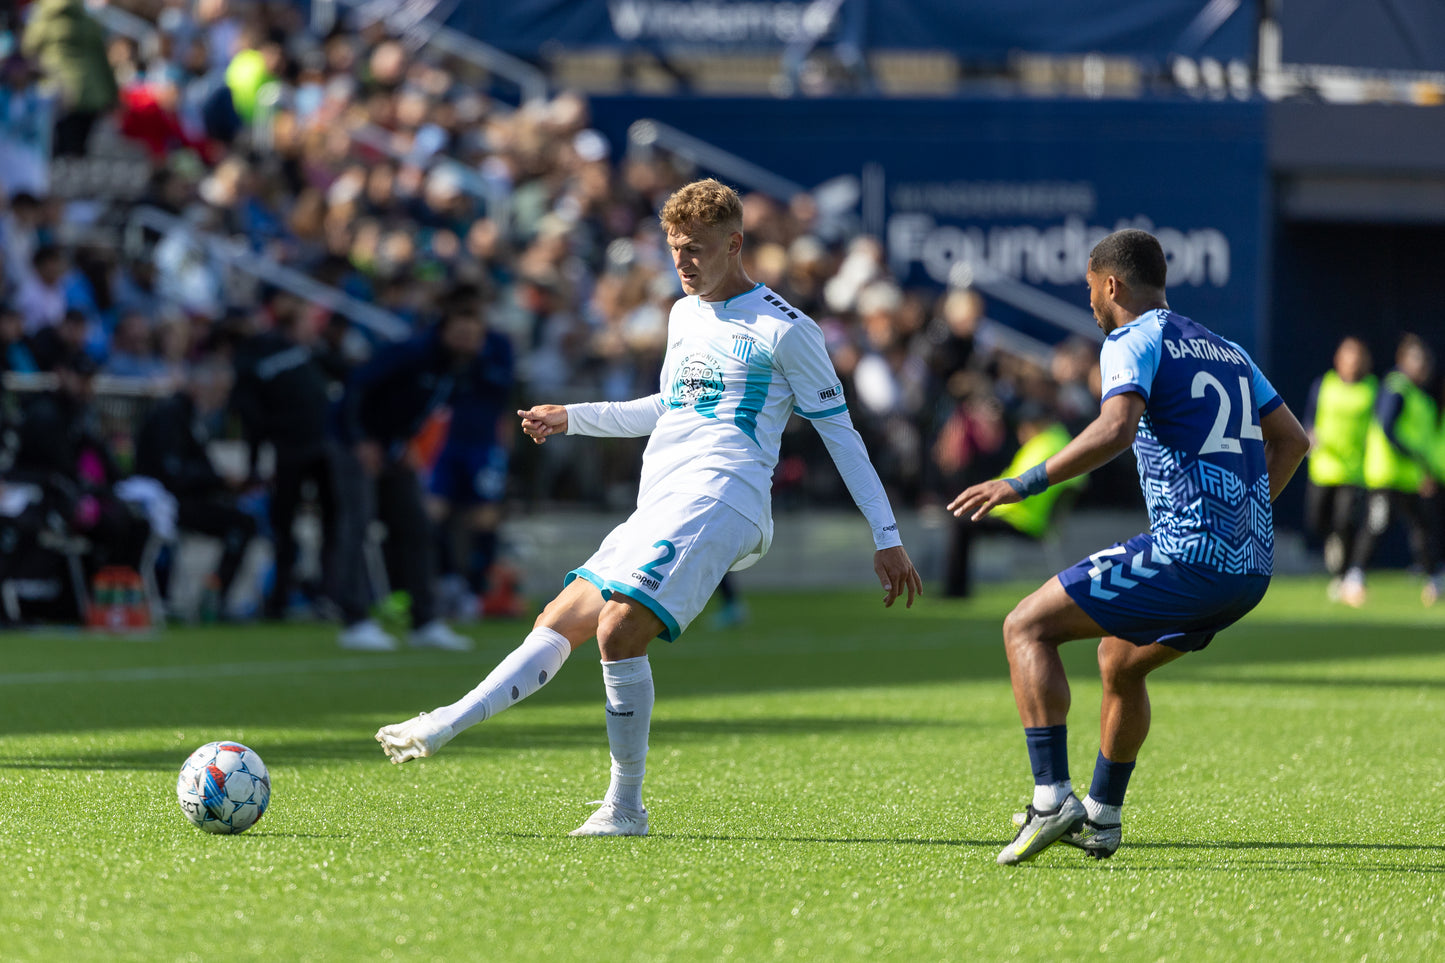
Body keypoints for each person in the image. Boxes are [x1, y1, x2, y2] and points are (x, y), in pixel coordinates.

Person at [376, 178, 923, 837]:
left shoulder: (785, 330)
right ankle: (445, 721)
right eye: (673, 249)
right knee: (563, 616)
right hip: (663, 496)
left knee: (618, 629)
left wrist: (886, 535)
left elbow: (842, 434)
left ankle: (623, 807)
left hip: (726, 493)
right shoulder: (681, 314)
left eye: (694, 249)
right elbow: (669, 406)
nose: (682, 263)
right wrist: (571, 417)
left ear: (734, 243)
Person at [949, 229, 1309, 866]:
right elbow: (1293, 440)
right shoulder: (1227, 349)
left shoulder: (1131, 339)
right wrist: (1243, 519)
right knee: (1119, 661)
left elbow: (1116, 428)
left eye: (1090, 289)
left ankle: (1050, 797)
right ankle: (1103, 815)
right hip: (1249, 566)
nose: (1089, 302)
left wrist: (1021, 483)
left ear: (1111, 284)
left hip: (1189, 553)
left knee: (1025, 627)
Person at [328, 289, 489, 652]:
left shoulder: (457, 367)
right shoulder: (410, 353)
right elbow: (357, 387)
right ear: (445, 329)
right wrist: (360, 440)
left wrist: (406, 446)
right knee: (357, 524)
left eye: (473, 336)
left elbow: (420, 411)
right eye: (461, 333)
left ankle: (425, 620)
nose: (468, 342)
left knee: (416, 526)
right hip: (353, 442)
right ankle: (354, 619)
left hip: (393, 448)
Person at [231, 294, 339, 620]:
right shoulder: (262, 356)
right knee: (284, 527)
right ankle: (280, 597)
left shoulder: (314, 355)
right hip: (289, 449)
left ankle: (327, 594)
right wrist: (254, 461)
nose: (314, 329)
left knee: (331, 524)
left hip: (322, 448)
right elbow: (251, 414)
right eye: (308, 322)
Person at [134, 362, 259, 617]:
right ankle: (215, 599)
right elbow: (171, 471)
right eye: (220, 391)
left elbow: (197, 467)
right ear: (199, 386)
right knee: (240, 524)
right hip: (165, 502)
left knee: (244, 521)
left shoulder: (189, 417)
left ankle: (216, 596)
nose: (222, 400)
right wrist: (219, 481)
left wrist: (226, 483)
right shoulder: (170, 416)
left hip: (183, 497)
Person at [424, 285, 516, 620]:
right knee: (432, 512)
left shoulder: (497, 345)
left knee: (484, 516)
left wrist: (475, 355)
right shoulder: (438, 342)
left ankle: (476, 591)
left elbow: (503, 385)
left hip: (483, 441)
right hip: (445, 441)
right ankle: (447, 581)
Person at [944, 402, 1085, 598]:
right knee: (964, 522)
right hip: (1033, 518)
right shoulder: (1059, 441)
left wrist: (982, 499)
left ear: (1034, 424)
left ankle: (954, 592)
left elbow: (1015, 484)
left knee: (961, 524)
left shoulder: (1043, 445)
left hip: (1024, 519)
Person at [1357, 334, 1440, 606]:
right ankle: (1354, 577)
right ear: (1402, 360)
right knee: (1377, 525)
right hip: (1386, 475)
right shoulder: (1395, 387)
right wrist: (1412, 457)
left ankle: (1433, 579)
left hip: (1411, 478)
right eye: (1415, 359)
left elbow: (1424, 443)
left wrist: (1424, 469)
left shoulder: (1423, 400)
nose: (1421, 365)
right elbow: (1388, 428)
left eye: (1424, 360)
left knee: (1423, 528)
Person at [1302, 337, 1376, 604]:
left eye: (1356, 359)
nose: (1352, 364)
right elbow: (1309, 417)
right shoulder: (1324, 385)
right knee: (1317, 521)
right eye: (1347, 358)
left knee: (1346, 522)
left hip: (1353, 470)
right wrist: (1310, 436)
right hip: (1323, 468)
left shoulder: (1371, 389)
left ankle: (1345, 577)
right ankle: (1334, 551)